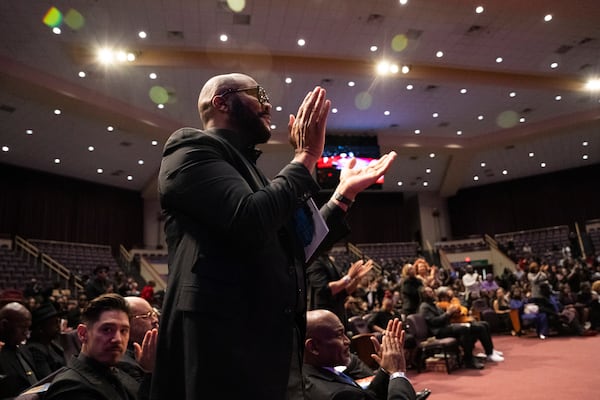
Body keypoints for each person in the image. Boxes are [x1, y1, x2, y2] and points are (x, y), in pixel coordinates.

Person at [151, 73, 397, 400]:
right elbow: (249, 219)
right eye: (259, 93)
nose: (268, 104)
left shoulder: (254, 172)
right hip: (222, 347)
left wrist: (342, 194)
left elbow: (294, 248)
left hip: (268, 345)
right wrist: (307, 155)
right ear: (221, 102)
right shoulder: (191, 149)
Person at [44, 293, 157, 400]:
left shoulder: (115, 371)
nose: (117, 339)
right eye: (107, 330)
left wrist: (148, 371)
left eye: (123, 331)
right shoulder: (70, 388)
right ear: (83, 334)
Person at [303, 309, 416, 400]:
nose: (347, 341)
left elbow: (368, 397)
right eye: (339, 335)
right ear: (313, 347)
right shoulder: (338, 395)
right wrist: (397, 373)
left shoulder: (305, 373)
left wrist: (386, 371)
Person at [418, 286, 504, 370]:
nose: (432, 293)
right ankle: (469, 360)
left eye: (432, 291)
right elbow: (434, 322)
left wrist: (451, 313)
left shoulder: (433, 305)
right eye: (429, 292)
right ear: (424, 295)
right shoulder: (424, 307)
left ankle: (489, 352)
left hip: (447, 326)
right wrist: (448, 313)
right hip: (438, 331)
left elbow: (447, 316)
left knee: (480, 326)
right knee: (464, 329)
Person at [307, 255, 374, 331]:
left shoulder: (328, 261)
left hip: (338, 316)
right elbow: (325, 289)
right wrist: (349, 277)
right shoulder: (315, 261)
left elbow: (345, 292)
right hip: (323, 320)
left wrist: (357, 278)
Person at [0, 302, 40, 399]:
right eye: (22, 328)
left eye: (28, 328)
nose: (26, 334)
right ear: (4, 325)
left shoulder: (23, 349)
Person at [119, 296, 160, 382]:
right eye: (145, 317)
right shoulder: (123, 362)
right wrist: (148, 370)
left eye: (153, 314)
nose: (155, 320)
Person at [25, 302, 67, 379]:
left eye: (58, 322)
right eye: (55, 323)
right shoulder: (35, 349)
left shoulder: (51, 343)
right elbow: (48, 379)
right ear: (41, 328)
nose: (58, 326)